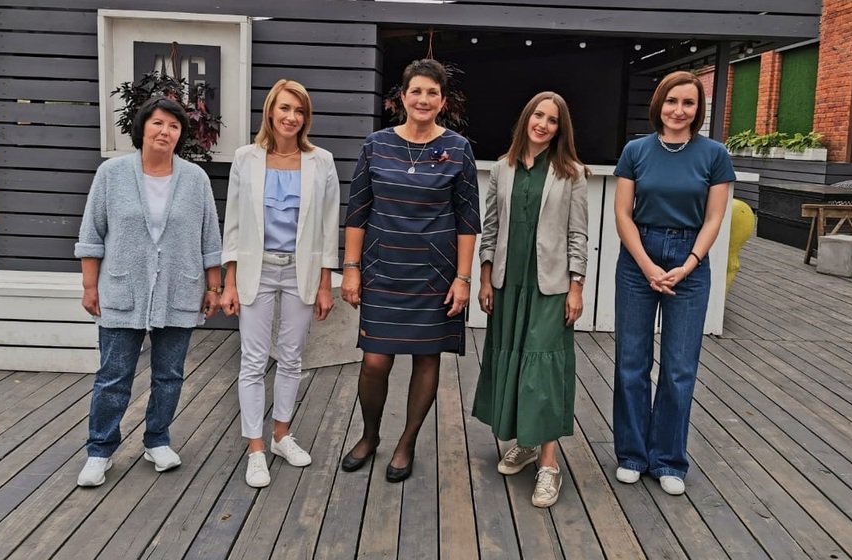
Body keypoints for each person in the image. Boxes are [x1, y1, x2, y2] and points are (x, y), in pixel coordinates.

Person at [340, 59, 481, 483]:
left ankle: (407, 442)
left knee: (426, 357)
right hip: (382, 269)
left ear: (442, 101)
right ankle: (369, 435)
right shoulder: (376, 144)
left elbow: (468, 219)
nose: (423, 99)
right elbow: (357, 211)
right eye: (416, 91)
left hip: (435, 274)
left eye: (432, 93)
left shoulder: (458, 148)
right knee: (375, 361)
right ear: (402, 97)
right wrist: (351, 268)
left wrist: (463, 278)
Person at [75, 96, 223, 487]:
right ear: (142, 127)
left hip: (179, 287)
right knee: (113, 376)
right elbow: (92, 234)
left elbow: (210, 238)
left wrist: (214, 286)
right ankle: (100, 449)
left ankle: (157, 439)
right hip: (122, 288)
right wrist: (89, 286)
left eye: (174, 126)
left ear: (180, 135)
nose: (165, 132)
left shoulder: (195, 179)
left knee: (169, 375)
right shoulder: (112, 174)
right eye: (158, 123)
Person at [612, 70, 735, 496]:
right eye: (671, 101)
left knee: (680, 367)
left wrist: (689, 263)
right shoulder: (635, 151)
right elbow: (623, 213)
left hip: (690, 259)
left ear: (698, 109)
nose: (678, 110)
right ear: (659, 104)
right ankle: (632, 454)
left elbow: (714, 217)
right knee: (632, 360)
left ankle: (668, 460)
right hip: (638, 257)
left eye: (688, 103)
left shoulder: (714, 155)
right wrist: (646, 265)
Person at [220, 79, 340, 488]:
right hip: (256, 270)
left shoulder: (321, 161)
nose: (291, 117)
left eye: (299, 110)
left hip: (300, 273)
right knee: (253, 361)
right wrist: (229, 282)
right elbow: (234, 224)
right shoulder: (246, 158)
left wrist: (325, 283)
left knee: (292, 359)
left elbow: (328, 227)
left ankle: (281, 435)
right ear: (270, 110)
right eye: (285, 108)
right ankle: (255, 449)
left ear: (307, 118)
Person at [472, 92, 589, 508]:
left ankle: (549, 465)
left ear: (560, 129)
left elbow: (578, 234)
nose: (543, 124)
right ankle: (526, 442)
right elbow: (490, 227)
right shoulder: (501, 169)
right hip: (508, 283)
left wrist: (576, 287)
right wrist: (485, 279)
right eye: (538, 115)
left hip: (549, 286)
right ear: (526, 118)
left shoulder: (572, 173)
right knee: (517, 362)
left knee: (543, 368)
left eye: (552, 120)